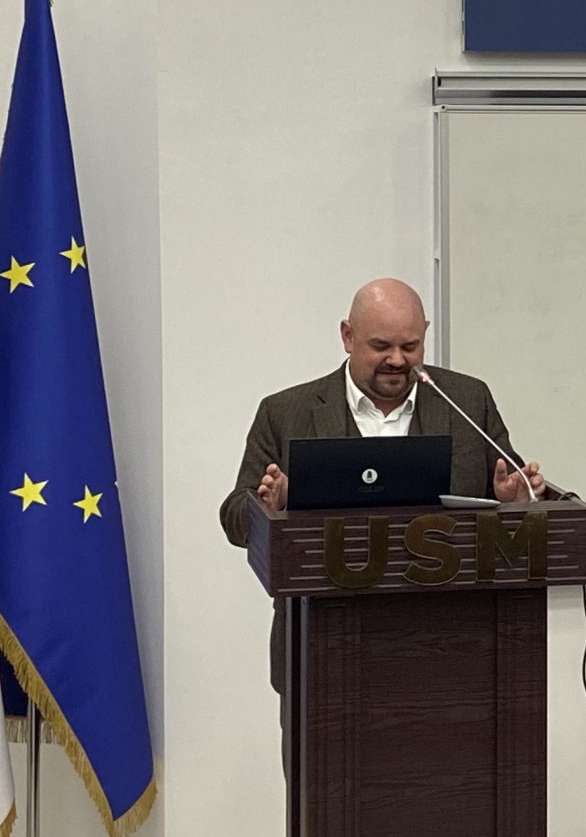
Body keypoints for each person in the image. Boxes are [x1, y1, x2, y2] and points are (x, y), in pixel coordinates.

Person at [220, 278, 544, 690]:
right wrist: (273, 508)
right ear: (347, 336)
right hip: (321, 651)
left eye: (410, 347)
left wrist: (514, 501)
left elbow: (512, 485)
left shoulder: (467, 399)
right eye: (381, 346)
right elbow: (234, 517)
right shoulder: (285, 412)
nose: (396, 360)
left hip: (452, 650)